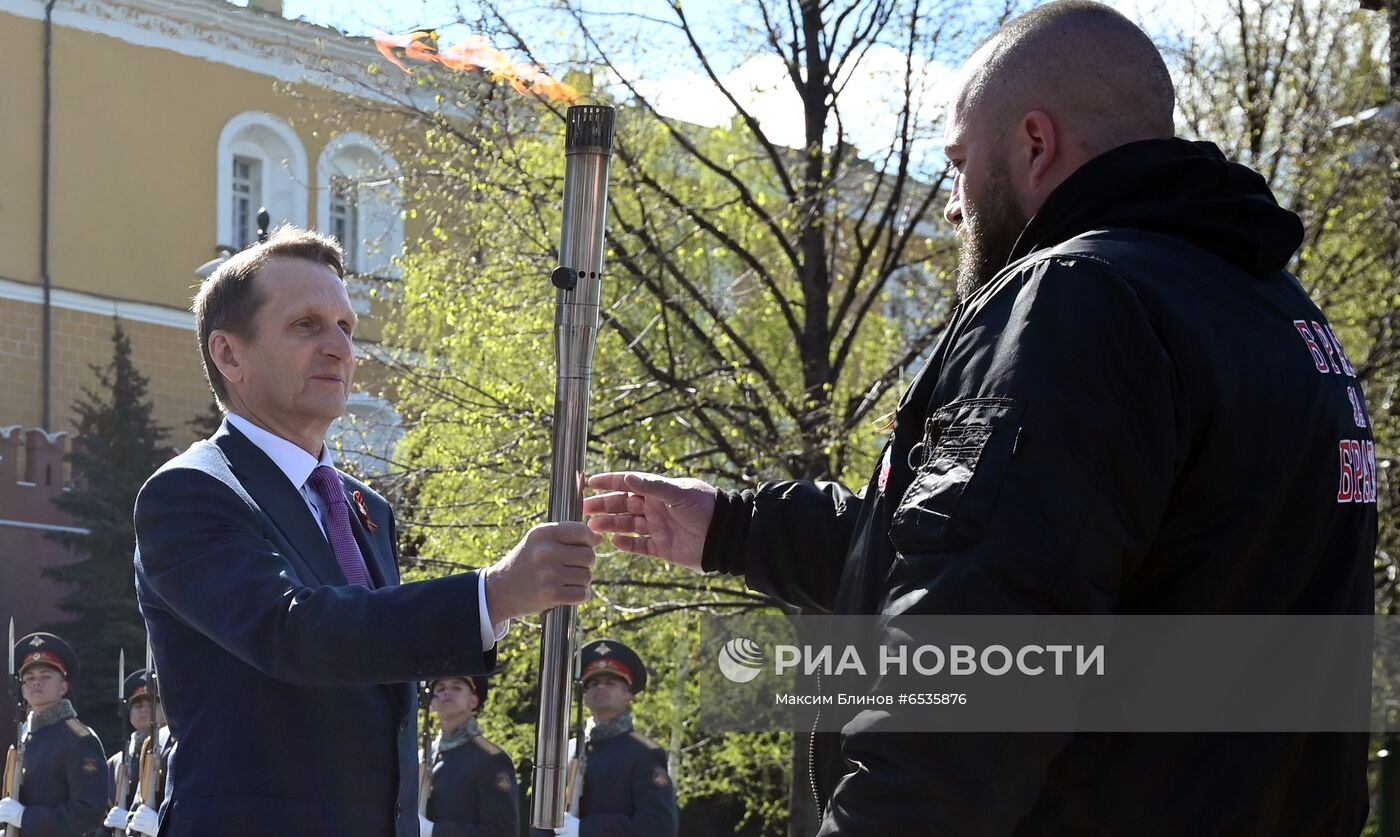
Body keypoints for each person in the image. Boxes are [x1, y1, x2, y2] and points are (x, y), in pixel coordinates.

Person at [583, 1, 1377, 834]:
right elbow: (1012, 554)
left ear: (1035, 143)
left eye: (958, 161)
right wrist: (733, 528)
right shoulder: (1279, 313)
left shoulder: (1076, 300)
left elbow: (966, 678)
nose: (953, 205)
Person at [133, 226, 600, 836]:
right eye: (306, 325)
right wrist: (494, 594)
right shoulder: (191, 493)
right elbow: (294, 633)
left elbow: (376, 676)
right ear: (229, 354)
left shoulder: (364, 508)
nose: (339, 348)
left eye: (346, 328)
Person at [559, 639, 677, 837]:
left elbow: (658, 827)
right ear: (584, 695)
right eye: (593, 683)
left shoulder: (644, 753)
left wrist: (584, 830)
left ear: (628, 695)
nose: (600, 688)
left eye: (610, 683)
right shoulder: (568, 749)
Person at [0, 632, 108, 835]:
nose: (36, 682)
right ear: (22, 691)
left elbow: (88, 813)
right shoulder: (23, 737)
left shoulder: (79, 739)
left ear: (63, 687)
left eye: (46, 676)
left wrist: (25, 818)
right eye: (29, 678)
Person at [419, 675, 518, 837]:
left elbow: (502, 832)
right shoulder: (424, 756)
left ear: (473, 700)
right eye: (440, 688)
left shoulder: (491, 759)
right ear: (432, 702)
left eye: (457, 688)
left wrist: (433, 831)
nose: (447, 693)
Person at [102, 669, 168, 836]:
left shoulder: (171, 751)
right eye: (138, 705)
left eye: (152, 703)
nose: (144, 710)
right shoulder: (116, 763)